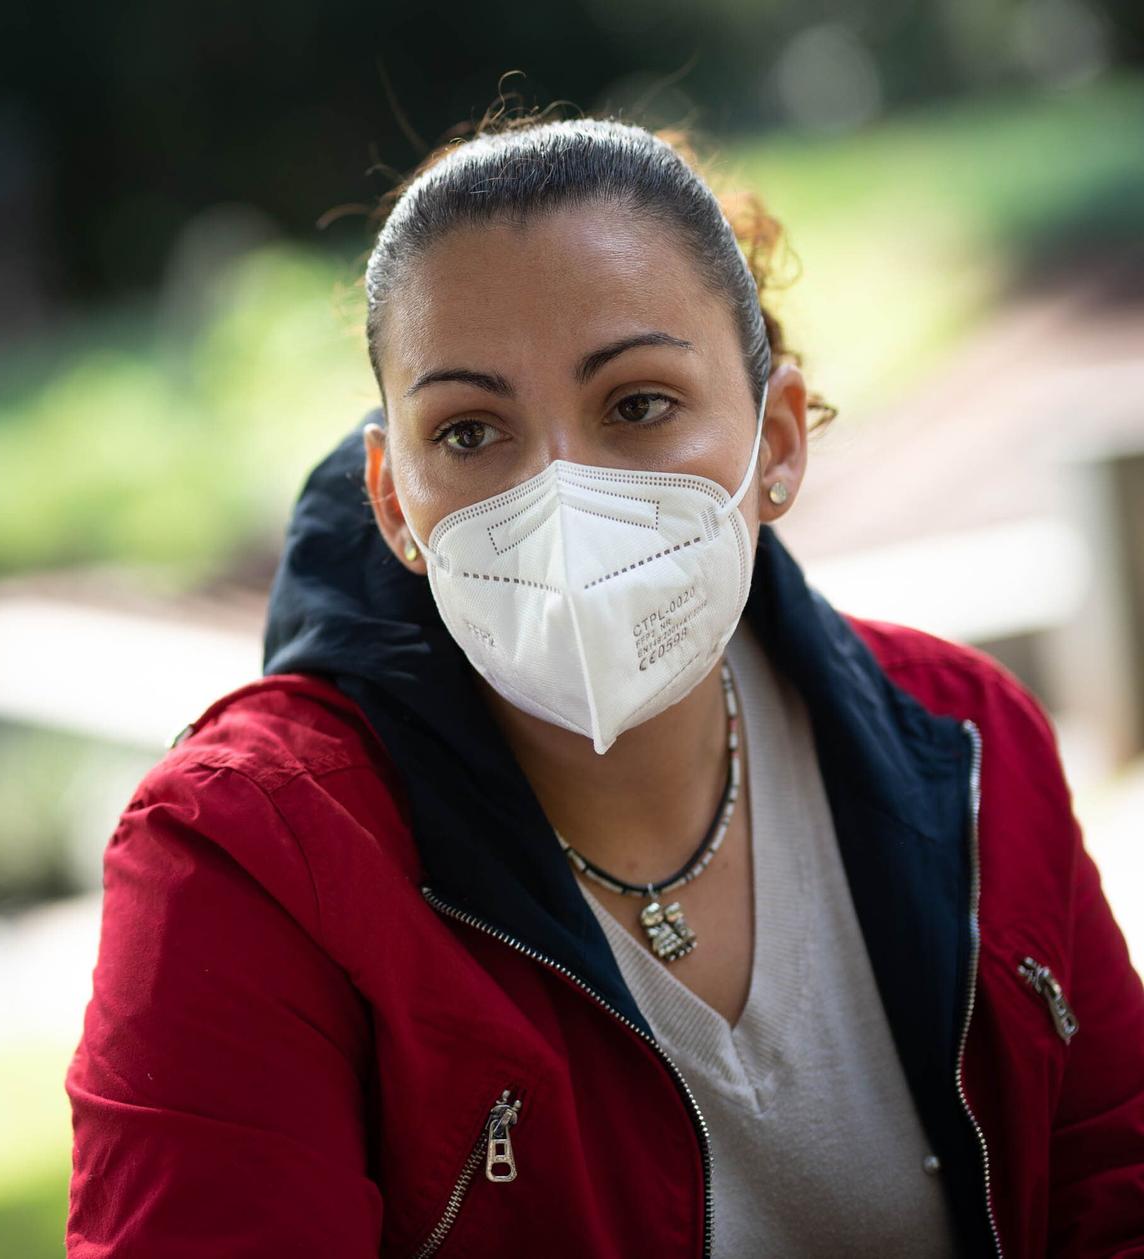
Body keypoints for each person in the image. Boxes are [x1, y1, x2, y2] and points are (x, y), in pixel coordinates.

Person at [67, 115, 1144, 1257]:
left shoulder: (969, 743)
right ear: (392, 500)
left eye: (635, 404)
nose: (559, 495)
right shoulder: (249, 852)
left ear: (775, 438)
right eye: (471, 430)